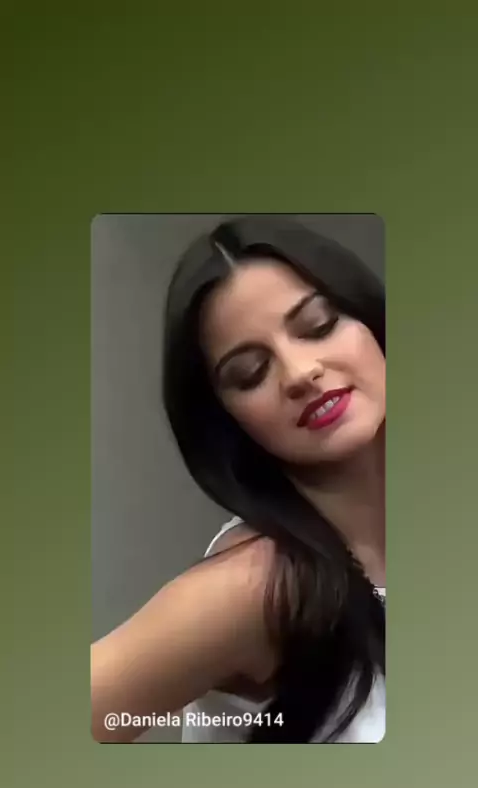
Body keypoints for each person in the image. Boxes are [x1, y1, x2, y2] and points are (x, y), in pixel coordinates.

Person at [91, 215, 386, 744]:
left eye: (318, 325)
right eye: (250, 372)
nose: (300, 373)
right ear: (226, 419)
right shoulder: (257, 589)